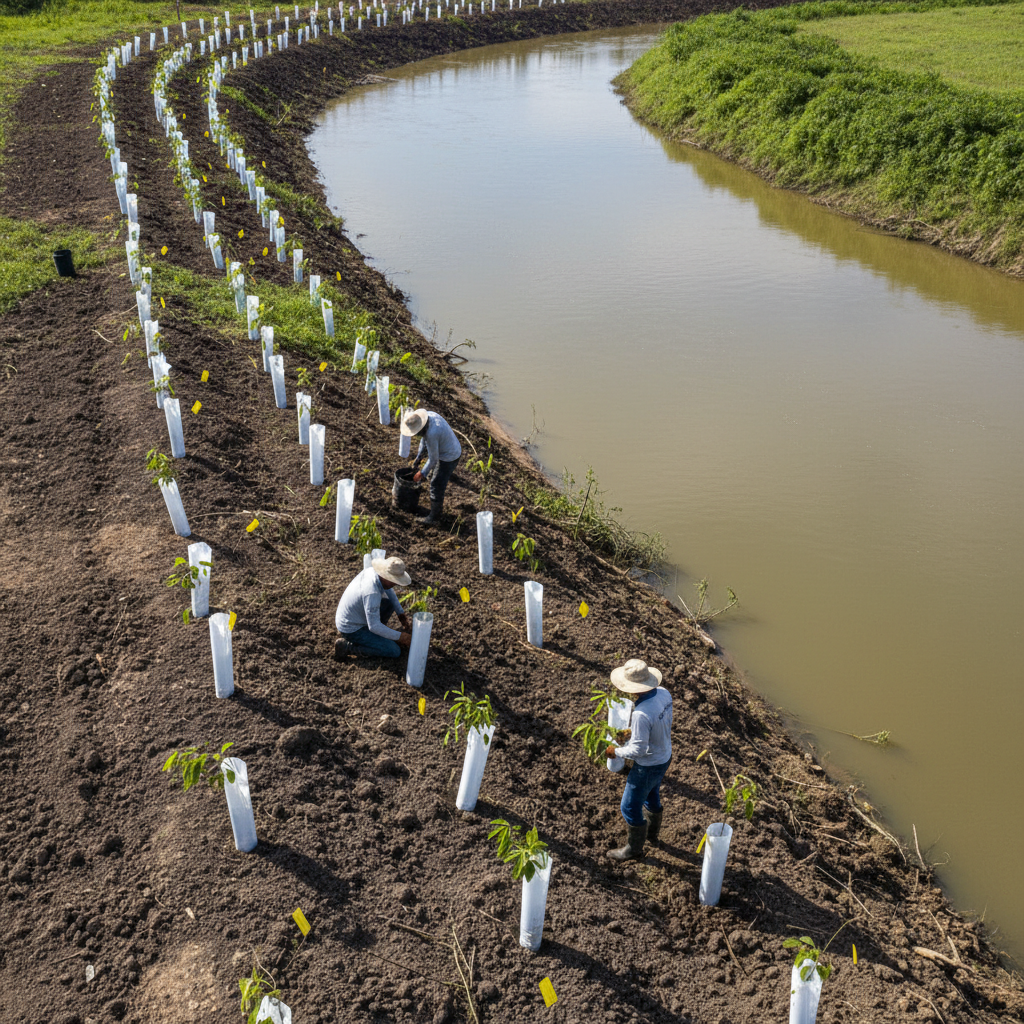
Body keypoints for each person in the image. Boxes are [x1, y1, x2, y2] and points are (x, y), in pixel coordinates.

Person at [604, 658, 673, 861]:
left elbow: (638, 750)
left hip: (648, 764)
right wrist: (633, 733)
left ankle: (634, 849)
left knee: (629, 807)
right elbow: (658, 724)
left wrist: (617, 750)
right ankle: (652, 835)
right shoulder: (664, 693)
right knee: (652, 795)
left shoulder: (641, 714)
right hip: (664, 756)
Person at [334, 555, 414, 659]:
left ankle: (377, 636)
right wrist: (400, 637)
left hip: (353, 615)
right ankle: (347, 647)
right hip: (351, 629)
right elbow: (374, 626)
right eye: (393, 581)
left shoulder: (374, 573)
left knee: (389, 603)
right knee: (394, 651)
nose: (395, 584)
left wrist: (400, 613)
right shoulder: (372, 592)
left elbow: (390, 591)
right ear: (385, 575)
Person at [401, 407, 462, 525]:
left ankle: (434, 517)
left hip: (449, 456)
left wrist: (422, 473)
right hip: (448, 446)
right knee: (435, 476)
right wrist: (418, 458)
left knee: (436, 483)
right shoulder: (427, 417)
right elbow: (423, 441)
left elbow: (433, 459)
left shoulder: (432, 433)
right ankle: (435, 514)